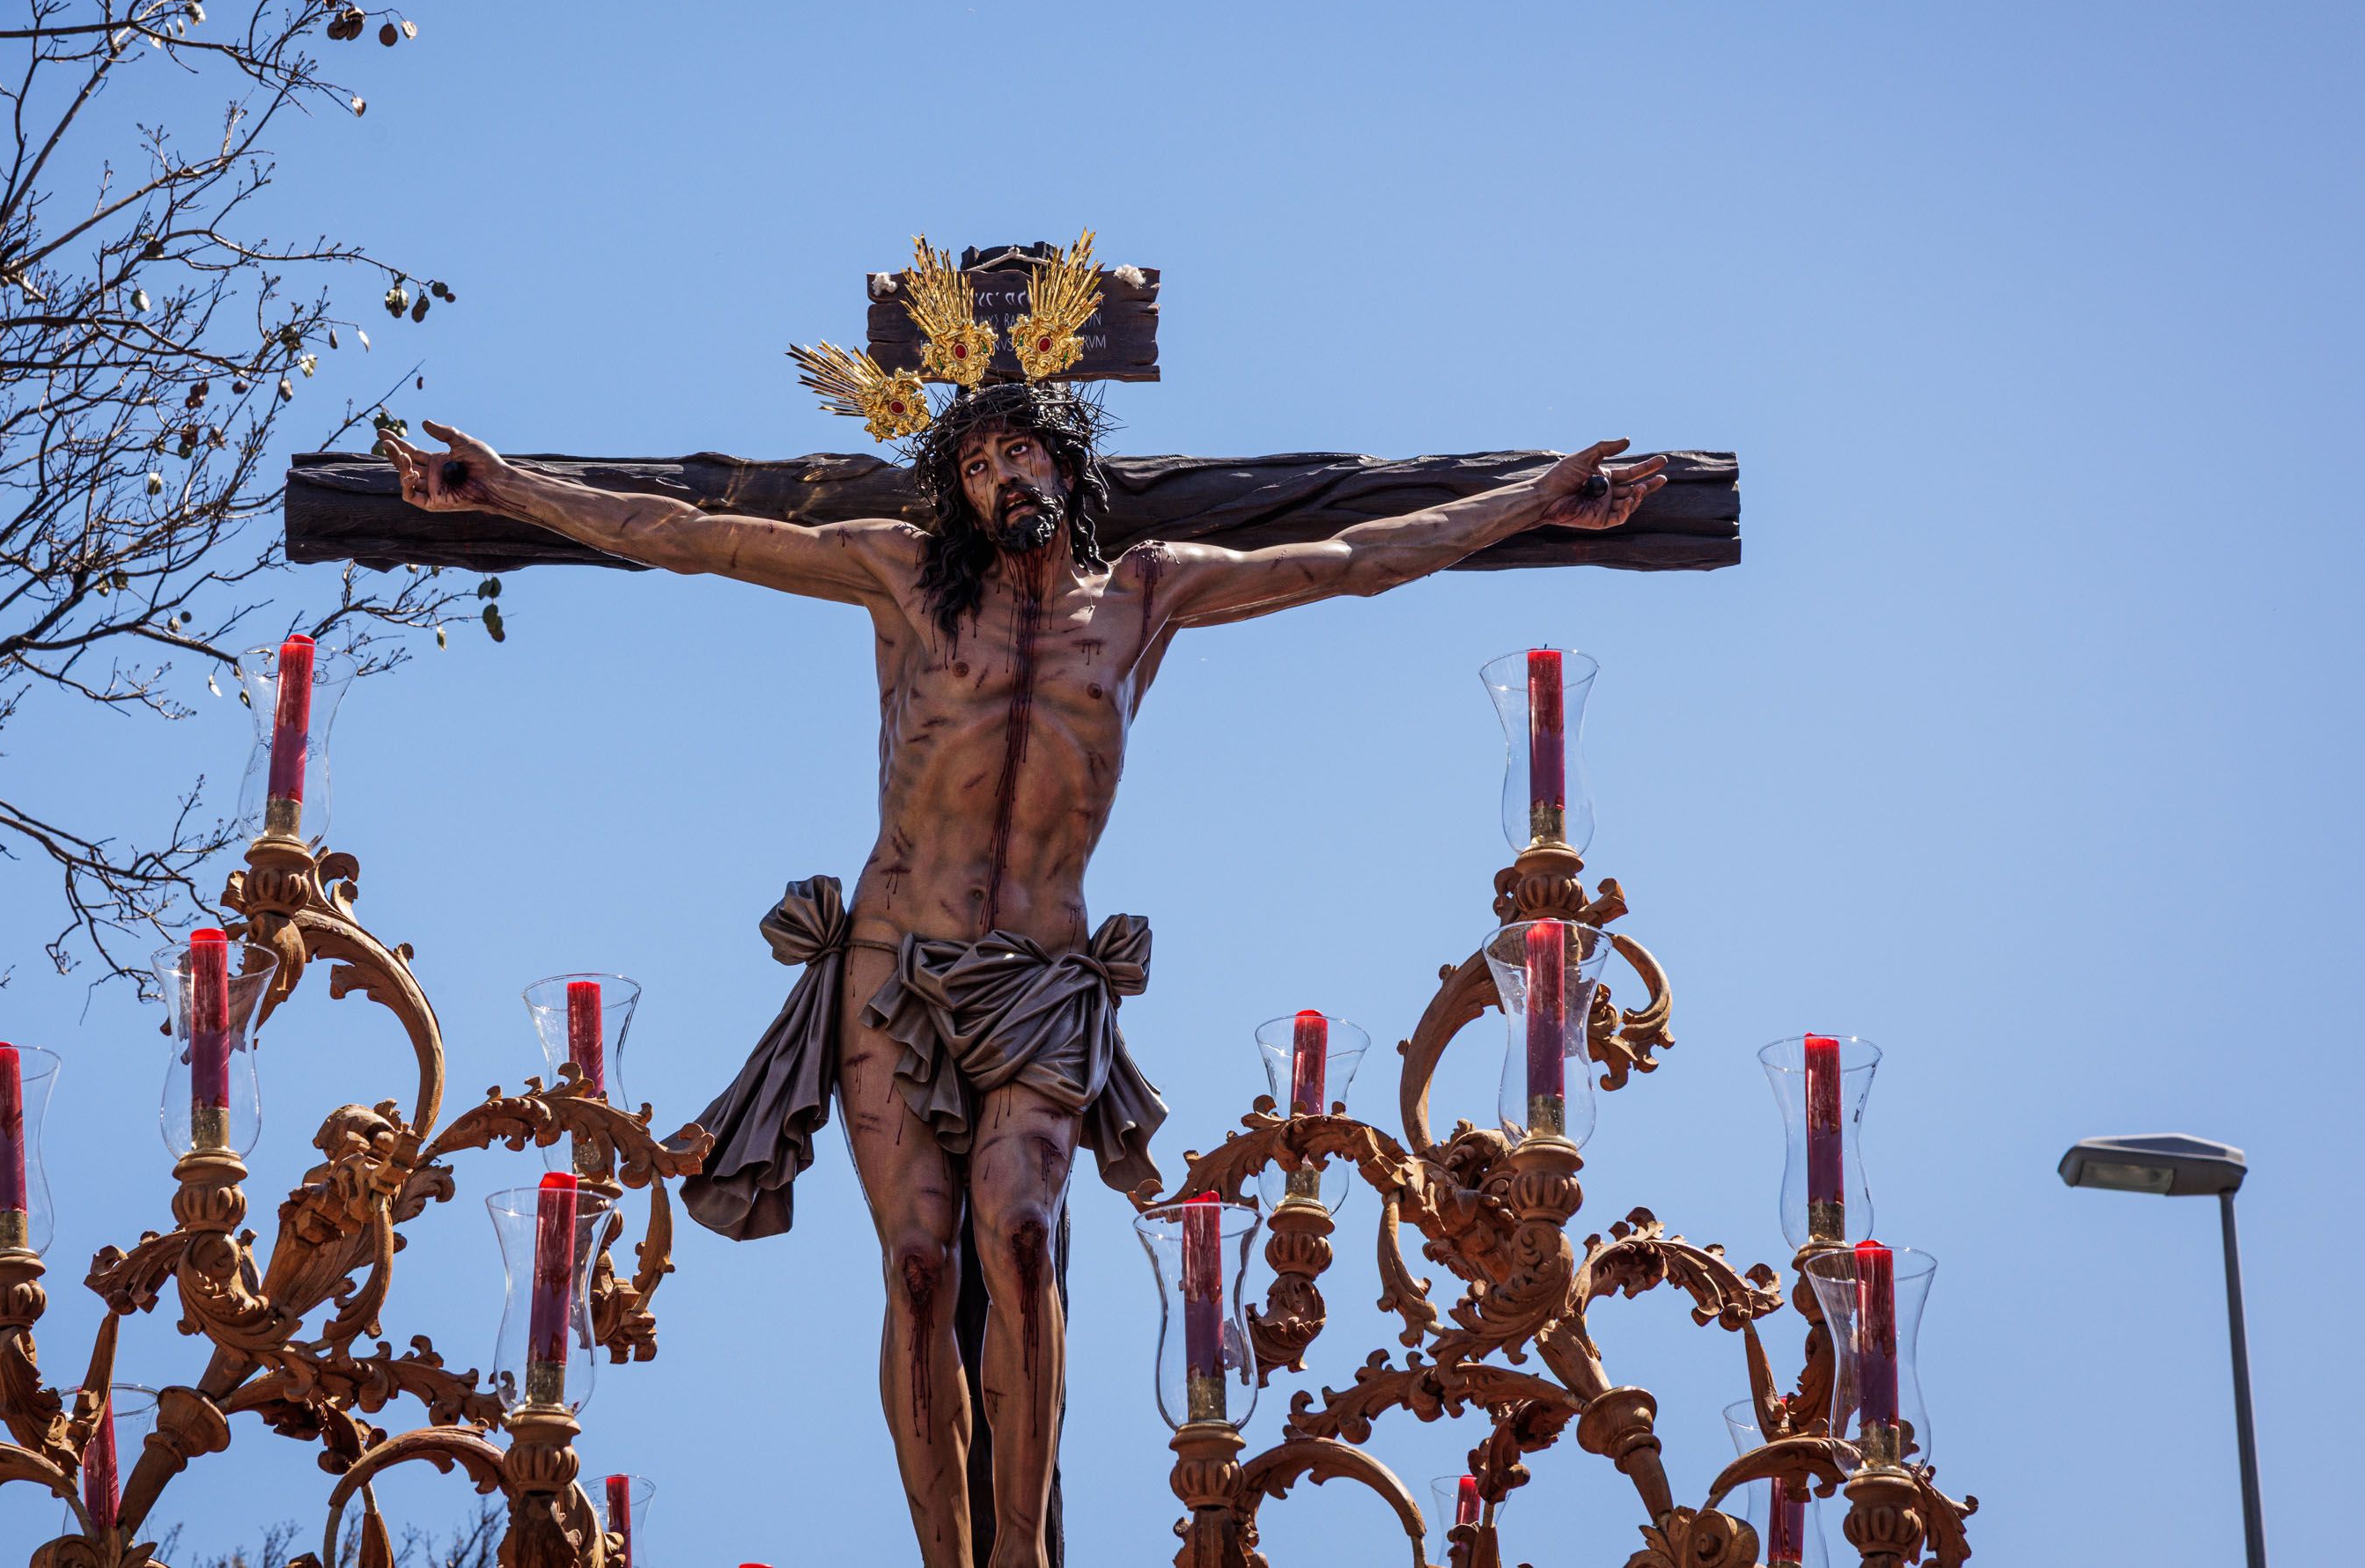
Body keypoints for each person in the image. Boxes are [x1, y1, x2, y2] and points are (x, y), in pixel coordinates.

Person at [379, 382, 1661, 1568]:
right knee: (918, 1267)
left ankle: (1017, 1553)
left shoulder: (1147, 591)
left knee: (1025, 1232)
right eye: (977, 464)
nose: (1001, 476)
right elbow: (693, 535)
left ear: (1064, 465)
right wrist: (509, 489)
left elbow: (1354, 556)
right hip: (892, 967)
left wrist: (1532, 502)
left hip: (1045, 976)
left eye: (1019, 451)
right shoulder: (899, 575)